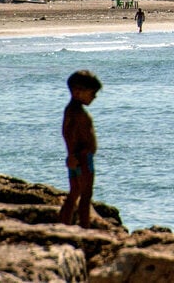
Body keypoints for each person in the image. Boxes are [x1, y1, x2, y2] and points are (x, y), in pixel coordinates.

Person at [58, 70, 101, 228]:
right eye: (92, 93)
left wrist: (71, 155)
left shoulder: (73, 110)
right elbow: (67, 133)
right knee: (86, 194)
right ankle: (84, 226)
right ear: (78, 92)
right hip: (82, 158)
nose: (94, 97)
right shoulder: (76, 112)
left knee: (75, 192)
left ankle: (64, 224)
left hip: (78, 156)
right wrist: (71, 155)